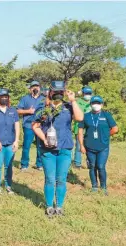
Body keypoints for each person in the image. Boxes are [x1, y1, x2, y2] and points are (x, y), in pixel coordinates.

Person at [32, 81, 83, 218]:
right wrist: (44, 139)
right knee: (49, 178)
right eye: (56, 92)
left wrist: (73, 101)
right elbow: (35, 126)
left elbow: (79, 118)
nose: (58, 94)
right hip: (47, 150)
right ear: (50, 92)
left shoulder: (68, 107)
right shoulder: (43, 108)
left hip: (65, 149)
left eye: (61, 92)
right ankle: (49, 206)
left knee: (61, 179)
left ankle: (59, 206)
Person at [78, 96, 118, 195]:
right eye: (94, 103)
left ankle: (103, 187)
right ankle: (94, 186)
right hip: (89, 147)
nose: (96, 105)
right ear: (91, 104)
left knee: (100, 166)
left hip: (103, 147)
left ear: (102, 104)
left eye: (98, 103)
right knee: (92, 167)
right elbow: (80, 131)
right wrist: (82, 145)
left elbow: (115, 129)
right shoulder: (85, 116)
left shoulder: (106, 115)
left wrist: (106, 135)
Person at [17, 81, 45, 171]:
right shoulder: (25, 99)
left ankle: (39, 164)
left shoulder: (44, 99)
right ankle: (24, 164)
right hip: (28, 125)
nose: (35, 88)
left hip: (40, 126)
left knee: (40, 145)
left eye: (37, 86)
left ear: (40, 88)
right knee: (26, 146)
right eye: (33, 87)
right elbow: (18, 111)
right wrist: (28, 111)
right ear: (30, 89)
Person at [72, 86, 93, 169]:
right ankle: (77, 163)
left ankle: (90, 163)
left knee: (90, 146)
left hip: (90, 128)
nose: (88, 95)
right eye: (86, 93)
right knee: (79, 146)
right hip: (79, 127)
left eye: (89, 93)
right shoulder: (78, 102)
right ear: (83, 94)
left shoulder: (93, 102)